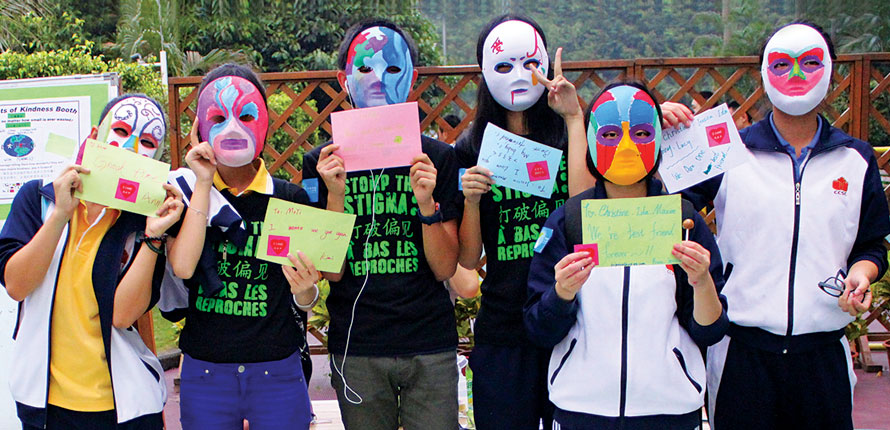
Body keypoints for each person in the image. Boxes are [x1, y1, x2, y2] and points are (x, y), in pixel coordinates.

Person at [682, 22, 890, 430]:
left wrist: (862, 276)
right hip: (742, 350)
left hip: (824, 351)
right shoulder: (727, 150)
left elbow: (871, 245)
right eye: (781, 64)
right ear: (763, 74)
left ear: (829, 73)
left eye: (809, 63)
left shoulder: (857, 158)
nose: (795, 76)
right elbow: (665, 205)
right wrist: (662, 128)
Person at [524, 81, 729, 430]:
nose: (626, 146)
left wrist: (702, 282)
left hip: (670, 411)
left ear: (659, 139)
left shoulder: (683, 220)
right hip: (581, 411)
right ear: (590, 141)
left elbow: (710, 331)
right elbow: (538, 329)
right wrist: (561, 293)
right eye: (608, 135)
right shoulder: (569, 221)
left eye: (641, 132)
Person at [160, 63, 345, 430]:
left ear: (266, 124)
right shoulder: (185, 194)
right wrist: (203, 181)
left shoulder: (289, 198)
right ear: (198, 127)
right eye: (217, 117)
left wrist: (306, 290)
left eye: (246, 115)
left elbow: (313, 289)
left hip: (276, 369)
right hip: (206, 370)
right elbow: (182, 267)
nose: (232, 128)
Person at [300, 19, 461, 430]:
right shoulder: (320, 164)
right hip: (359, 346)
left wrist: (426, 205)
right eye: (365, 69)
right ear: (344, 78)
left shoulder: (438, 159)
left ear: (412, 77)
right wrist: (335, 194)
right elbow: (330, 270)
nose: (376, 81)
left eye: (392, 69)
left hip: (429, 344)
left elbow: (446, 268)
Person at [0, 94, 181, 429]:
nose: (129, 147)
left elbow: (124, 314)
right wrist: (59, 217)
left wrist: (154, 238)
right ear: (94, 135)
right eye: (121, 130)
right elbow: (16, 285)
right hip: (45, 404)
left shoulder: (143, 222)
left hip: (125, 406)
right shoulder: (39, 197)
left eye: (146, 141)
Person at [455, 14, 573, 430]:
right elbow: (468, 259)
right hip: (503, 323)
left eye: (530, 64)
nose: (519, 77)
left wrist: (576, 119)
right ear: (484, 74)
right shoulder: (469, 147)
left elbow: (585, 207)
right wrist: (470, 201)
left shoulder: (571, 132)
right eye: (503, 66)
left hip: (570, 317)